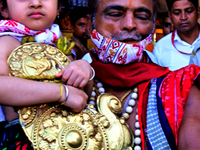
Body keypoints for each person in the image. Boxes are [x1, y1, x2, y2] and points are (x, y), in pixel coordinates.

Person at [87, 0, 200, 149]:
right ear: (90, 24)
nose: (129, 24)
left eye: (142, 16)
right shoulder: (71, 83)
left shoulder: (182, 92)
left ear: (153, 26)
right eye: (114, 14)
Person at [0, 0, 93, 149]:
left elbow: (82, 97)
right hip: (22, 139)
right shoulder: (6, 42)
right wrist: (62, 93)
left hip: (68, 135)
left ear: (59, 7)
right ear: (3, 8)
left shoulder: (60, 45)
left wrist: (85, 71)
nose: (36, 3)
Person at [152, 0, 200, 71]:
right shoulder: (160, 48)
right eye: (177, 13)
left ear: (198, 12)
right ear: (170, 15)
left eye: (189, 11)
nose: (183, 17)